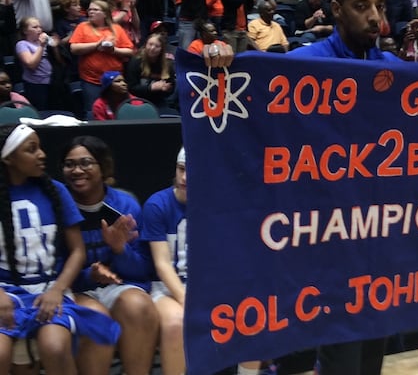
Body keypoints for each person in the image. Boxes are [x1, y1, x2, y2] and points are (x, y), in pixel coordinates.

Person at [290, 0, 418, 374]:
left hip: (382, 239)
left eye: (379, 5)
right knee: (341, 359)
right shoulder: (306, 63)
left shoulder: (392, 67)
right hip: (331, 242)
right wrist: (222, 62)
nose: (375, 16)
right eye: (362, 7)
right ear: (337, 10)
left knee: (372, 358)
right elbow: (250, 84)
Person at [0, 124, 120, 374]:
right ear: (9, 158)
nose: (42, 154)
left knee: (54, 346)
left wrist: (57, 289)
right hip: (6, 290)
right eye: (31, 150)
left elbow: (78, 251)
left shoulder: (55, 190)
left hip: (49, 287)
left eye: (40, 148)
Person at [141, 148, 266, 375]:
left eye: (192, 171)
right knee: (175, 323)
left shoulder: (220, 204)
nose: (185, 178)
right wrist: (185, 299)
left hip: (210, 287)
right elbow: (161, 265)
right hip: (167, 289)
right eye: (181, 170)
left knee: (253, 311)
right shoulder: (157, 205)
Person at [60, 135, 159, 374]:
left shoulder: (126, 206)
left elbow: (144, 270)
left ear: (103, 167)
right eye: (69, 164)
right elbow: (52, 270)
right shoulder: (57, 205)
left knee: (138, 306)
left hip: (120, 285)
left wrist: (119, 250)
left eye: (85, 163)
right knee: (95, 317)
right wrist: (90, 275)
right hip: (75, 289)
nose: (77, 170)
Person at [69, 0, 135, 118]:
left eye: (95, 9)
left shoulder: (116, 29)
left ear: (104, 13)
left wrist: (113, 50)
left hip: (114, 81)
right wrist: (96, 45)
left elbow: (130, 51)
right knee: (92, 111)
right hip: (91, 80)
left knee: (117, 110)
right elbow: (74, 48)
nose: (91, 12)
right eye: (90, 9)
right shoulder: (82, 27)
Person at [125, 33, 176, 111]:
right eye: (150, 44)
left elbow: (171, 86)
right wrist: (150, 88)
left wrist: (167, 89)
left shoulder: (167, 64)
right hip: (138, 100)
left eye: (157, 46)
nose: (152, 48)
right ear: (146, 45)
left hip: (159, 100)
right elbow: (131, 87)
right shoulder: (136, 61)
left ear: (161, 49)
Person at [16, 16, 56, 111]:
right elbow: (31, 64)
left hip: (50, 81)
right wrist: (42, 46)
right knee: (40, 112)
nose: (39, 30)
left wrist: (55, 46)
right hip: (35, 85)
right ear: (25, 31)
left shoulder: (42, 42)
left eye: (40, 27)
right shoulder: (22, 44)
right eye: (35, 27)